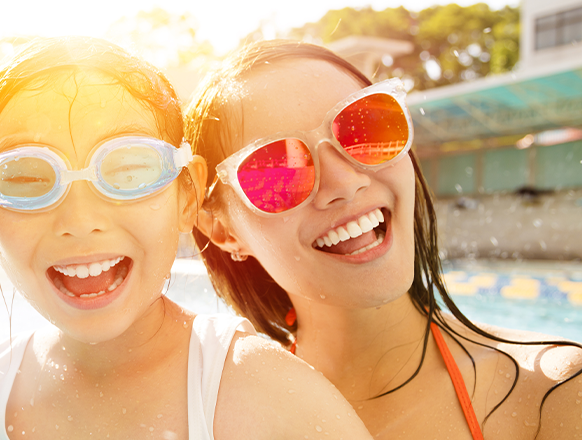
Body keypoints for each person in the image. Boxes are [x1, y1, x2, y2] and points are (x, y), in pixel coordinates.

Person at [0, 37, 373, 440]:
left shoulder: (271, 398)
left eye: (129, 169)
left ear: (187, 196)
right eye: (29, 178)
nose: (80, 220)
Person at [185, 39, 582, 439]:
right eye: (275, 171)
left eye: (365, 126)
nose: (346, 182)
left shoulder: (554, 391)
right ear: (223, 230)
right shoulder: (225, 421)